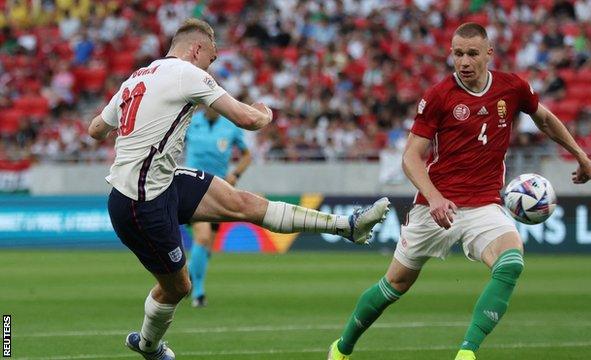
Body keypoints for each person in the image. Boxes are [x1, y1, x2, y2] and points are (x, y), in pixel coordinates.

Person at [87, 18, 390, 360]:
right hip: (140, 204)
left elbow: (96, 128)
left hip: (162, 181)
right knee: (177, 287)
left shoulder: (135, 79)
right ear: (197, 49)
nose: (210, 67)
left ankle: (347, 227)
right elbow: (249, 120)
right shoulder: (188, 73)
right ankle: (148, 345)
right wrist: (265, 113)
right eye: (211, 59)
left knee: (244, 203)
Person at [327, 22, 591, 360]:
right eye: (457, 54)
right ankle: (341, 348)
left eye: (471, 54)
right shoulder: (439, 96)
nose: (464, 62)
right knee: (395, 284)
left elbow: (543, 118)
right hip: (435, 206)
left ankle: (466, 353)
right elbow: (410, 157)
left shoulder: (512, 88)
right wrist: (435, 197)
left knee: (511, 262)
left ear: (488, 54)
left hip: (485, 205)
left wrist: (580, 154)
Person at [183, 105, 252, 308]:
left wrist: (236, 174)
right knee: (202, 237)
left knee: (207, 247)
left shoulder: (230, 126)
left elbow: (247, 155)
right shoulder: (191, 122)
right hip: (192, 187)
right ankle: (198, 293)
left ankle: (190, 270)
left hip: (219, 190)